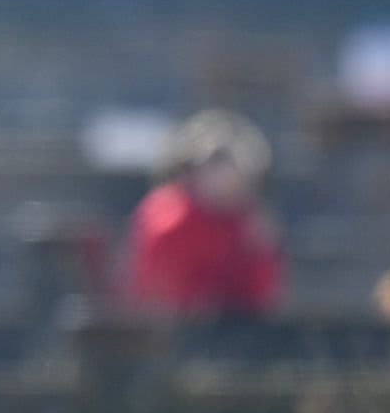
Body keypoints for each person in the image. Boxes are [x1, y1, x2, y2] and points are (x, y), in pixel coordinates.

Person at [122, 112, 287, 321]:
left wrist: (260, 251)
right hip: (168, 339)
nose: (227, 183)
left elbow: (261, 302)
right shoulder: (168, 220)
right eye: (216, 170)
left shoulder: (248, 224)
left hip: (232, 336)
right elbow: (165, 304)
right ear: (193, 172)